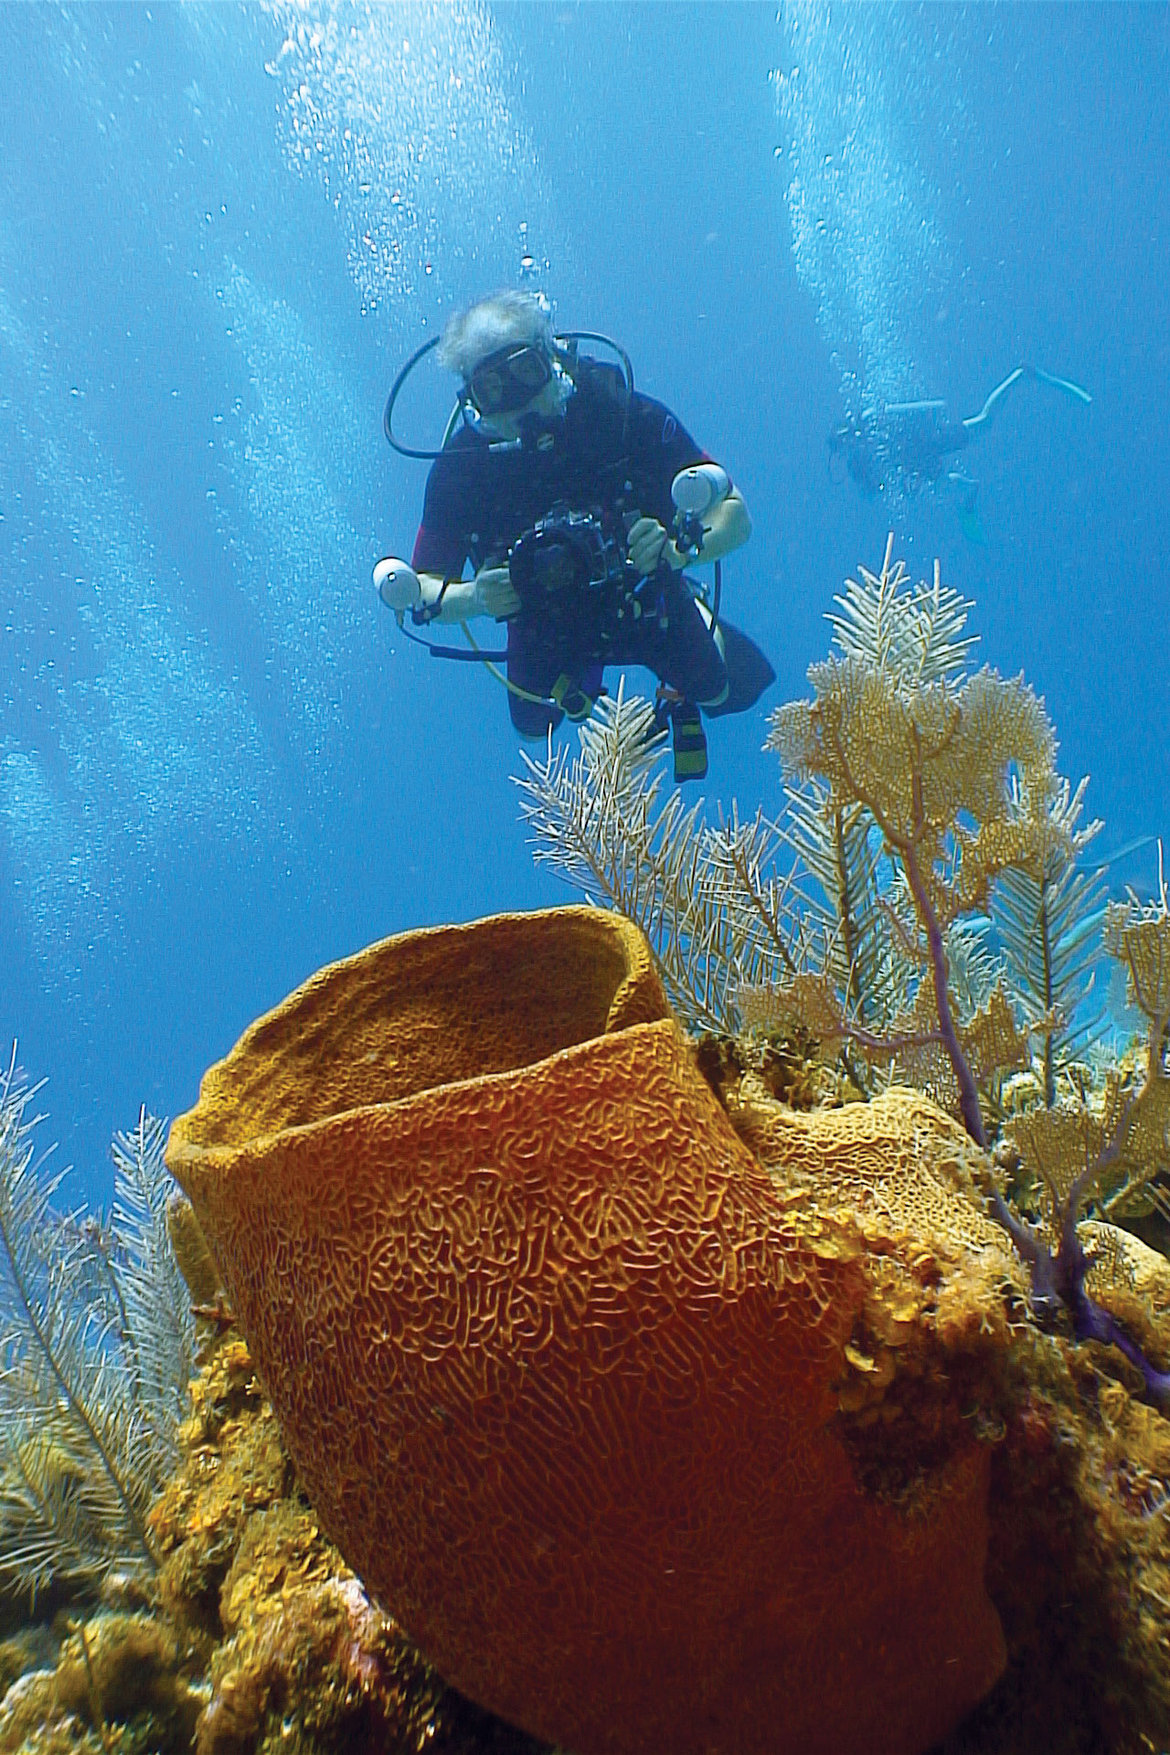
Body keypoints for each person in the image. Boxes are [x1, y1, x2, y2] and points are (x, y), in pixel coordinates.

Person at [375, 291, 774, 781]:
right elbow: (419, 593)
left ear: (553, 356)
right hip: (543, 619)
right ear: (472, 399)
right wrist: (477, 597)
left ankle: (683, 651)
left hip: (644, 591)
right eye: (494, 388)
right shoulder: (462, 472)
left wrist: (676, 551)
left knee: (720, 689)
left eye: (525, 371)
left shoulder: (618, 414)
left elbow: (735, 514)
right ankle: (588, 683)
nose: (518, 402)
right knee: (533, 724)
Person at [828, 364, 1091, 544]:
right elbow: (881, 482)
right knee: (943, 485)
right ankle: (969, 490)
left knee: (984, 422)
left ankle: (1021, 374)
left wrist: (930, 417)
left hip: (929, 440)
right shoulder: (862, 455)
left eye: (844, 444)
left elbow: (902, 424)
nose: (848, 449)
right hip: (919, 459)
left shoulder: (870, 423)